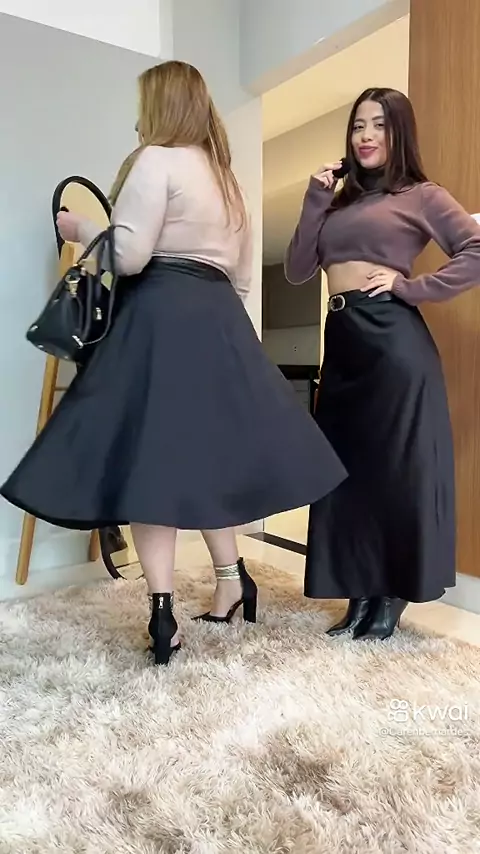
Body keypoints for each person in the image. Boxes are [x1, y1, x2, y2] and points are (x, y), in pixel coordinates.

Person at [1, 60, 347, 665]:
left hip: (160, 316)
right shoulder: (228, 181)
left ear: (160, 105)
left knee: (150, 468)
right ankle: (232, 581)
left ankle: (163, 615)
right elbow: (243, 278)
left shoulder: (156, 160)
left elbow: (131, 257)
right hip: (220, 320)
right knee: (210, 459)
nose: (138, 121)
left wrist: (83, 226)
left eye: (143, 107)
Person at [285, 87, 480, 641]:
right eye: (357, 126)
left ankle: (392, 593)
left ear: (399, 133)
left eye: (378, 125)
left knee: (395, 472)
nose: (366, 136)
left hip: (393, 342)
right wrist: (314, 198)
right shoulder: (336, 202)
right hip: (343, 343)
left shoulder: (421, 195)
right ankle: (359, 589)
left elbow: (475, 251)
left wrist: (409, 287)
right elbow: (298, 269)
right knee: (347, 473)